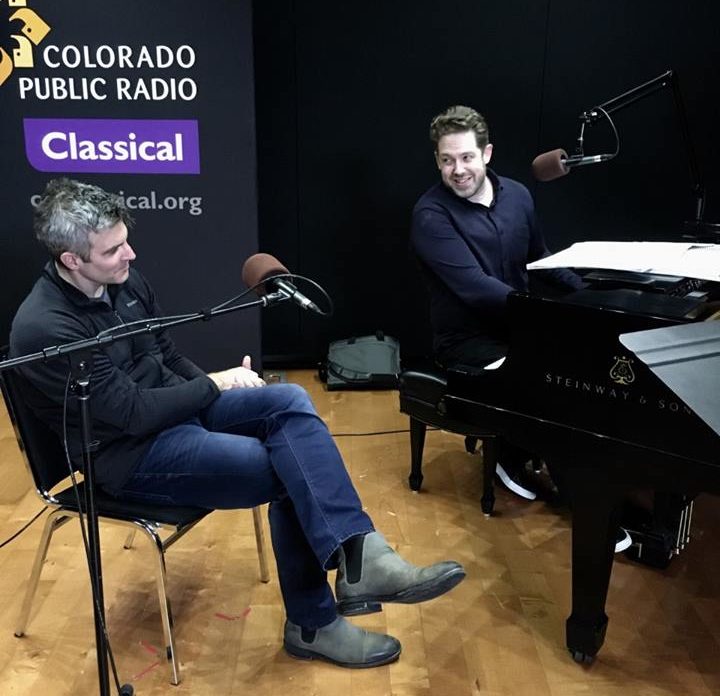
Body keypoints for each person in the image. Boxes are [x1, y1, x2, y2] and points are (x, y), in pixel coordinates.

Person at [10, 178, 466, 669]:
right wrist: (215, 384)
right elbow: (132, 413)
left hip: (172, 412)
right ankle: (316, 620)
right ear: (71, 260)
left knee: (287, 399)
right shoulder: (47, 328)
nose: (131, 254)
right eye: (114, 249)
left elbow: (163, 353)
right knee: (286, 469)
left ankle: (361, 559)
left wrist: (216, 383)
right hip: (127, 454)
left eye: (125, 239)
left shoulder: (122, 281)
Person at [410, 105, 585, 502]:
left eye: (467, 157)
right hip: (466, 341)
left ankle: (569, 466)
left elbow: (540, 259)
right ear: (437, 160)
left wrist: (588, 297)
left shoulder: (518, 196)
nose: (458, 170)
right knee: (543, 380)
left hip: (519, 327)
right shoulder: (430, 215)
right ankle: (565, 486)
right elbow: (474, 287)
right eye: (447, 160)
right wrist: (548, 317)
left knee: (583, 372)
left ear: (487, 154)